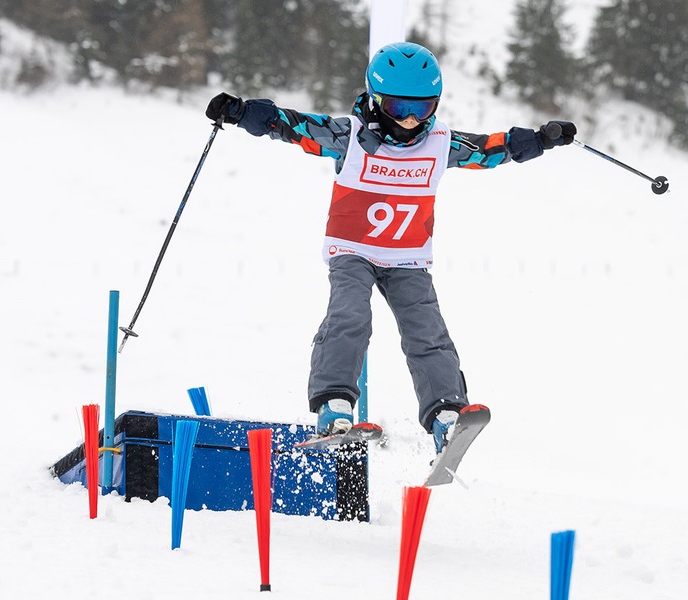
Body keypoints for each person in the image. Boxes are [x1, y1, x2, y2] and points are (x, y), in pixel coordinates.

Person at [205, 41, 576, 453]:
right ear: (377, 101)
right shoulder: (349, 137)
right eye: (400, 109)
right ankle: (334, 404)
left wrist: (541, 139)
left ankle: (447, 416)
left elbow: (492, 149)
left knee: (427, 332)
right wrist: (243, 113)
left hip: (407, 257)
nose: (412, 120)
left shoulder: (440, 143)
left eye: (424, 108)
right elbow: (292, 125)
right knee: (350, 316)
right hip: (353, 250)